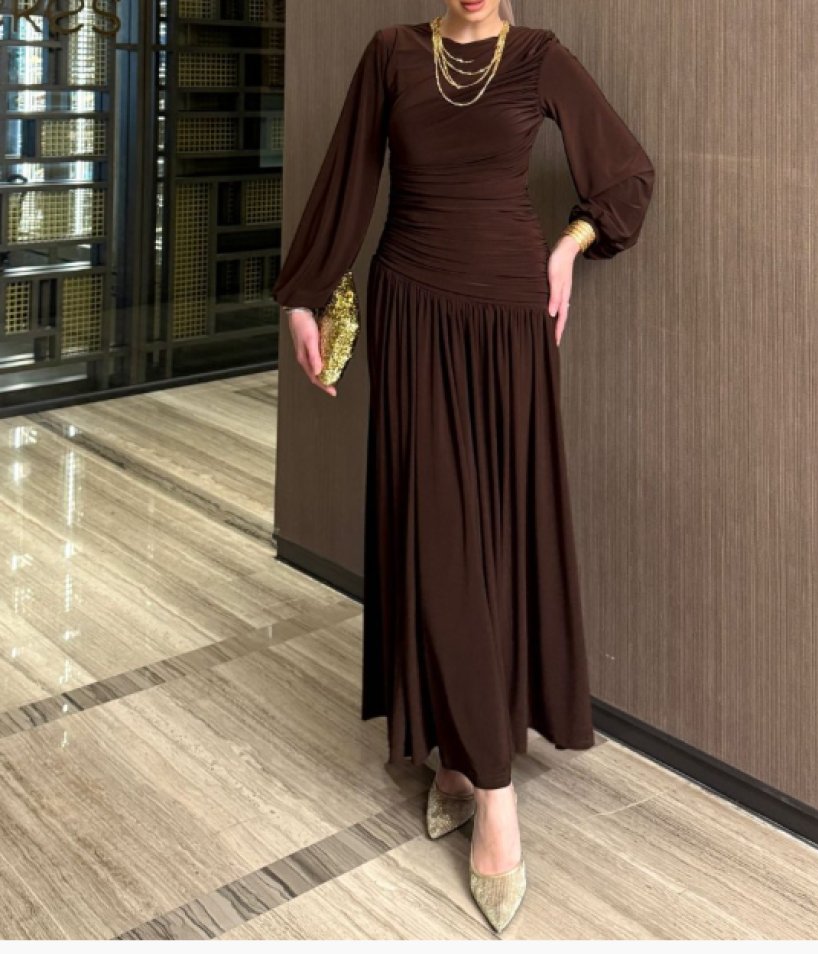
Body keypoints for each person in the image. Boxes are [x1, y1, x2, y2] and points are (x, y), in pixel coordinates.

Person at [270, 0, 655, 934]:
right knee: (434, 533)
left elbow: (627, 174)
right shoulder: (392, 54)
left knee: (495, 538)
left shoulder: (539, 57)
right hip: (412, 309)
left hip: (510, 320)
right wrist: (305, 294)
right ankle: (492, 788)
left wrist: (568, 246)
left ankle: (459, 758)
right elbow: (348, 177)